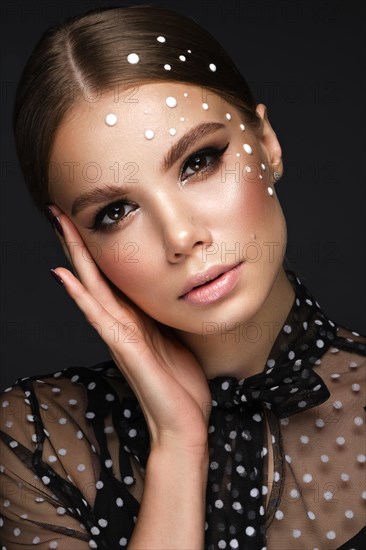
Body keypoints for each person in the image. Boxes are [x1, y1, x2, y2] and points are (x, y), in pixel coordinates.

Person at [0, 5, 365, 549]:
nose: (180, 237)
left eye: (198, 161)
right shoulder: (37, 440)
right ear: (76, 245)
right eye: (116, 212)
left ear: (268, 143)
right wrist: (178, 446)